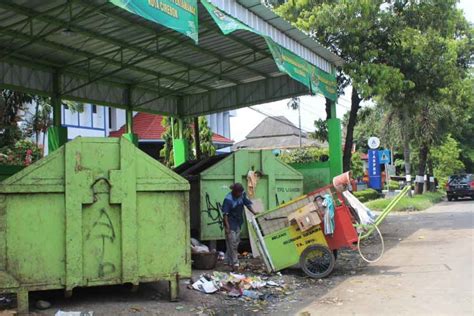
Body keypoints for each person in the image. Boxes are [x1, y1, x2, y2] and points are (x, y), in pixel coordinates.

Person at [222, 183, 256, 270]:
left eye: (241, 193)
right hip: (230, 223)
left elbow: (247, 205)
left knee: (235, 243)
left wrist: (255, 213)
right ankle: (235, 263)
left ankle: (227, 261)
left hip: (238, 222)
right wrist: (227, 227)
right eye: (239, 193)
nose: (240, 194)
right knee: (232, 243)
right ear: (234, 191)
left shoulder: (242, 195)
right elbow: (225, 215)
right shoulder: (228, 199)